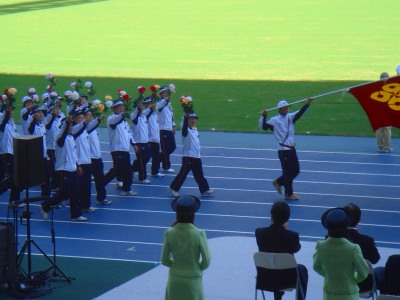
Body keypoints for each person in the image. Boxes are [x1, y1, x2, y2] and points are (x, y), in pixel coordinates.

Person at [259, 98, 313, 200]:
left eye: (287, 107)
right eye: (284, 108)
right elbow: (263, 127)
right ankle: (289, 194)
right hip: (283, 150)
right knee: (288, 173)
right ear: (279, 109)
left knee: (296, 170)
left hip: (292, 148)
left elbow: (299, 113)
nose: (287, 109)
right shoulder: (274, 120)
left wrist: (307, 104)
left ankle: (278, 182)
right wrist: (264, 115)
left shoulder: (290, 117)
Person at [161, 195, 211, 300]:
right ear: (193, 214)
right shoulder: (199, 233)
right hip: (193, 280)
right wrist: (195, 267)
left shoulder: (169, 232)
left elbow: (164, 260)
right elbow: (206, 261)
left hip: (174, 280)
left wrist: (176, 265)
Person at [255, 201, 308, 300]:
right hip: (287, 279)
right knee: (302, 269)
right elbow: (296, 248)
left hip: (265, 277)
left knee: (274, 263)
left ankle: (277, 297)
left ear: (271, 216)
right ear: (287, 219)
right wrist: (286, 231)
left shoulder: (259, 233)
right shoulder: (292, 236)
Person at [313, 207, 369, 300]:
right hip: (349, 293)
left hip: (329, 293)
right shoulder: (353, 248)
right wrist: (352, 279)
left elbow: (316, 266)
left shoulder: (320, 246)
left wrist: (329, 275)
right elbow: (363, 273)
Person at [41, 117, 86, 221]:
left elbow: (73, 154)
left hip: (72, 168)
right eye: (69, 126)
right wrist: (67, 123)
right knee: (64, 193)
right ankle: (46, 206)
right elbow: (62, 137)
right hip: (64, 169)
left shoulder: (71, 138)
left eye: (71, 125)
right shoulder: (59, 138)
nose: (71, 127)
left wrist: (77, 165)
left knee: (75, 192)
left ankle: (75, 214)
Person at [169, 112, 214, 197]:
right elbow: (184, 126)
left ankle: (204, 190)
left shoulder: (195, 129)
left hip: (196, 156)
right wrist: (186, 117)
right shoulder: (186, 130)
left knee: (199, 175)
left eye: (194, 118)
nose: (193, 120)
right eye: (191, 118)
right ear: (187, 119)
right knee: (183, 174)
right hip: (188, 157)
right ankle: (174, 188)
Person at [103, 99, 138, 196]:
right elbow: (116, 121)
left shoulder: (125, 122)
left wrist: (134, 144)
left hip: (125, 149)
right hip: (117, 149)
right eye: (119, 107)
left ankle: (126, 188)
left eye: (122, 107)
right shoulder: (111, 118)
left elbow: (129, 134)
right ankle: (101, 183)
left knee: (127, 170)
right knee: (117, 169)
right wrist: (123, 115)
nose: (122, 108)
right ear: (114, 108)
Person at [85, 110, 111, 205]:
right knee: (85, 182)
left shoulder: (92, 128)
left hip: (97, 157)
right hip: (90, 158)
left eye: (91, 116)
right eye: (88, 116)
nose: (90, 117)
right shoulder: (86, 128)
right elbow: (91, 126)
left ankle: (101, 198)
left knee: (100, 179)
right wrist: (99, 119)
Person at [131, 98, 152, 184]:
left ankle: (132, 169)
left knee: (145, 158)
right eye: (140, 105)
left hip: (145, 141)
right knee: (142, 160)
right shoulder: (134, 116)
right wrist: (138, 108)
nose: (142, 107)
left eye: (142, 105)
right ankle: (142, 177)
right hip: (138, 142)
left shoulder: (143, 116)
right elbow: (136, 112)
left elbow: (149, 110)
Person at [157, 86, 176, 173]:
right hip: (162, 129)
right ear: (161, 94)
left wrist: (173, 125)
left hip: (169, 128)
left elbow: (171, 115)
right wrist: (167, 99)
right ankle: (166, 166)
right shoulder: (159, 103)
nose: (166, 94)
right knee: (165, 148)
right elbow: (162, 104)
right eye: (164, 92)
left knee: (172, 147)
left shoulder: (168, 103)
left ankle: (158, 159)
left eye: (166, 92)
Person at [376, 72, 393, 153]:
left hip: (378, 111)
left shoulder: (374, 86)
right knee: (386, 129)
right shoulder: (391, 87)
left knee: (380, 129)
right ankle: (386, 147)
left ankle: (381, 146)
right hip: (385, 111)